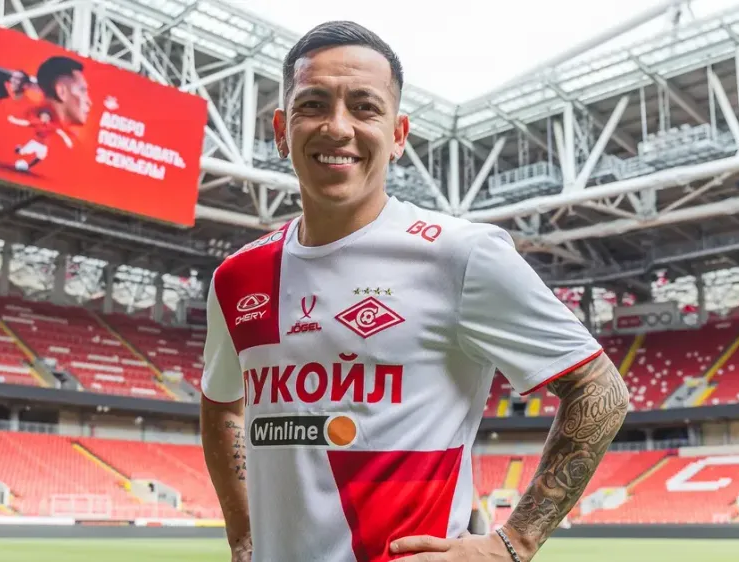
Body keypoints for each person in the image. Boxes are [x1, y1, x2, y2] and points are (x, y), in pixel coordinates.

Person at [200, 20, 630, 562]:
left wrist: (514, 543)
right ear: (282, 130)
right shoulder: (237, 277)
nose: (338, 127)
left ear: (399, 135)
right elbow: (222, 406)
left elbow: (599, 389)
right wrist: (242, 532)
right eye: (313, 105)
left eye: (364, 107)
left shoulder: (461, 254)